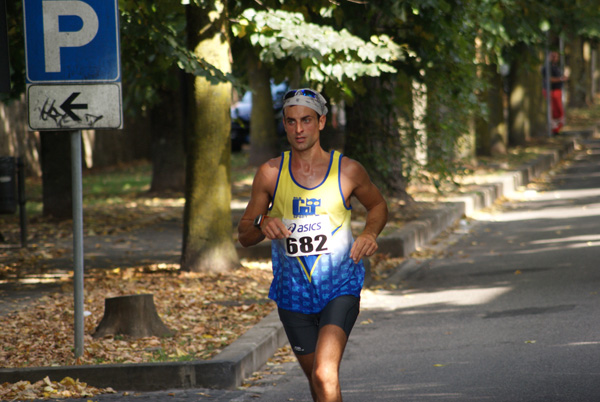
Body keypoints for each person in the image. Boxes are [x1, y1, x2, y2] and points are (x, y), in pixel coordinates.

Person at [238, 88, 388, 402]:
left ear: (321, 122)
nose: (299, 129)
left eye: (306, 120)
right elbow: (244, 235)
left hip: (339, 286)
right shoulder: (270, 174)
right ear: (284, 123)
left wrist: (369, 235)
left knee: (324, 372)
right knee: (318, 381)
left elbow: (378, 206)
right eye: (291, 122)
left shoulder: (346, 170)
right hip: (292, 294)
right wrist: (262, 224)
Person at [542, 51, 568, 134]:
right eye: (553, 56)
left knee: (559, 111)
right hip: (551, 91)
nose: (555, 58)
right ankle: (554, 130)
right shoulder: (546, 67)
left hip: (557, 91)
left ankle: (557, 129)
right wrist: (561, 79)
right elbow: (548, 79)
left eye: (556, 56)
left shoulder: (556, 66)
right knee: (554, 111)